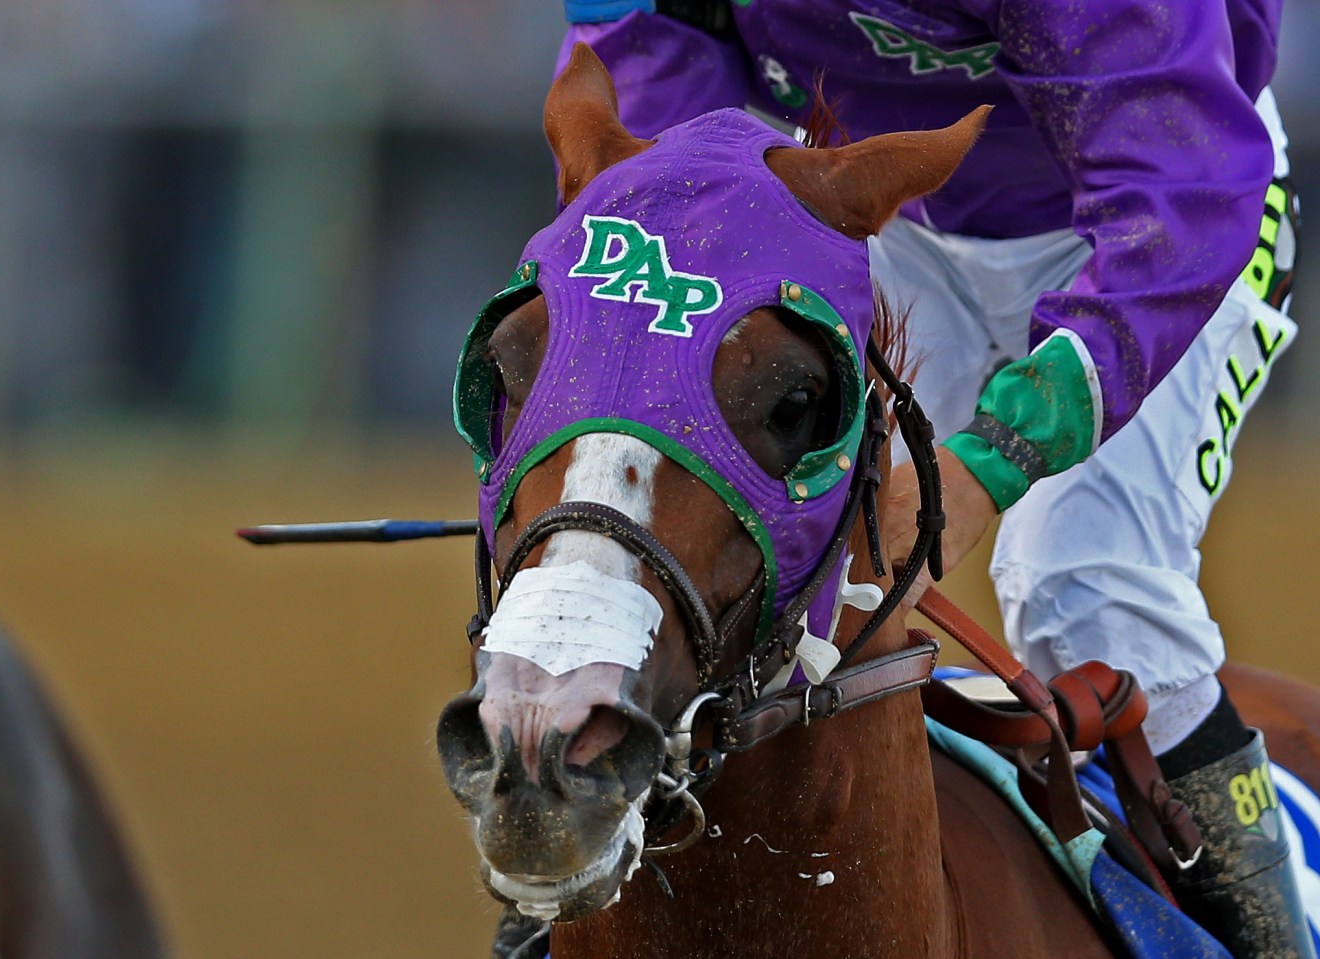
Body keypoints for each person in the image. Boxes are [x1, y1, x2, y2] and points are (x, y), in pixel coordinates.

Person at [512, 1, 1305, 956]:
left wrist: (992, 462)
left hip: (1161, 209)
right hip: (889, 207)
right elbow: (663, 130)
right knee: (721, 532)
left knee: (1092, 593)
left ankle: (1271, 937)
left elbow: (1180, 190)